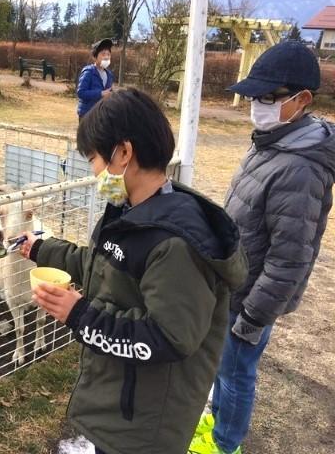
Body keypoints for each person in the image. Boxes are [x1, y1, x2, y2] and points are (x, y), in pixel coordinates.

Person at [19, 89, 248, 454]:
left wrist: (79, 315)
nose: (93, 171)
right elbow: (100, 266)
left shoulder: (173, 242)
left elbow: (168, 337)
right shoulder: (130, 211)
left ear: (124, 153)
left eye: (93, 158)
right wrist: (42, 249)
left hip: (146, 425)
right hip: (124, 404)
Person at [188, 41, 335, 454]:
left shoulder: (301, 166)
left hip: (252, 297)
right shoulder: (273, 140)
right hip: (236, 282)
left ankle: (224, 444)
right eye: (254, 96)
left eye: (269, 98)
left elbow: (291, 257)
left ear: (302, 99)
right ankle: (216, 426)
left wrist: (254, 316)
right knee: (223, 366)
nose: (257, 105)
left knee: (237, 373)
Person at [77, 38, 114, 119]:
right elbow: (81, 93)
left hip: (102, 114)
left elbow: (108, 93)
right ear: (95, 57)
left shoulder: (109, 74)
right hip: (87, 115)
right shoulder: (88, 72)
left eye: (108, 54)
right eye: (103, 54)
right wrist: (100, 93)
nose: (106, 57)